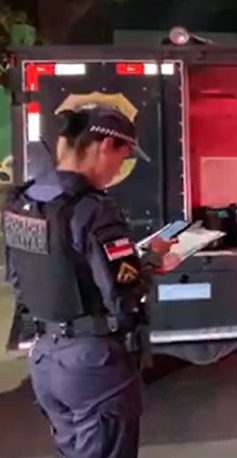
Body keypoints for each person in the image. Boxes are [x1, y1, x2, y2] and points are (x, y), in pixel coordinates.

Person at [4, 104, 173, 457]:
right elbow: (123, 294)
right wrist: (154, 260)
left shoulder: (23, 200)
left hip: (46, 360)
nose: (118, 169)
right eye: (122, 158)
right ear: (104, 146)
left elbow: (18, 277)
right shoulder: (93, 210)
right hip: (93, 367)